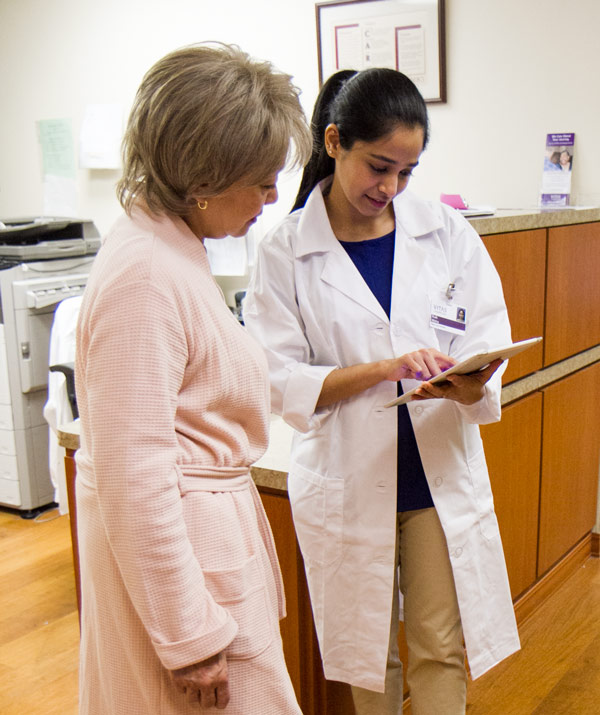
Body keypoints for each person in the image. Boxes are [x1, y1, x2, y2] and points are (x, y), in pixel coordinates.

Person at [243, 68, 520, 715]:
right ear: (335, 141)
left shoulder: (444, 232)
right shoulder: (286, 252)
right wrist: (381, 369)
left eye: (407, 171)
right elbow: (275, 377)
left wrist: (470, 379)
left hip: (433, 480)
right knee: (369, 657)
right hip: (347, 480)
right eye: (378, 166)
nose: (390, 187)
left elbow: (490, 325)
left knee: (438, 648)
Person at [74, 43, 311, 715]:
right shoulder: (146, 276)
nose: (271, 195)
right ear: (204, 175)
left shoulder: (172, 248)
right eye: (261, 179)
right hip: (190, 578)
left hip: (208, 548)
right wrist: (190, 636)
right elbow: (133, 472)